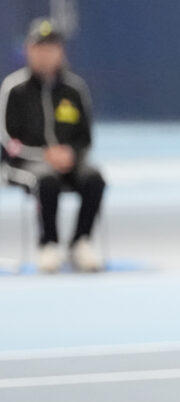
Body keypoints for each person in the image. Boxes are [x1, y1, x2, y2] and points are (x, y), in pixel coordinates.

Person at [0, 17, 105, 272]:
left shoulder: (74, 89)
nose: (46, 54)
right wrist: (44, 155)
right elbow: (6, 138)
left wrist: (70, 153)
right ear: (29, 50)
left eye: (51, 47)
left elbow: (85, 137)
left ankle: (81, 241)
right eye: (40, 48)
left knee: (94, 179)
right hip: (23, 164)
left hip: (68, 162)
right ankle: (48, 244)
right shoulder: (14, 89)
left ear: (61, 51)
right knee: (46, 180)